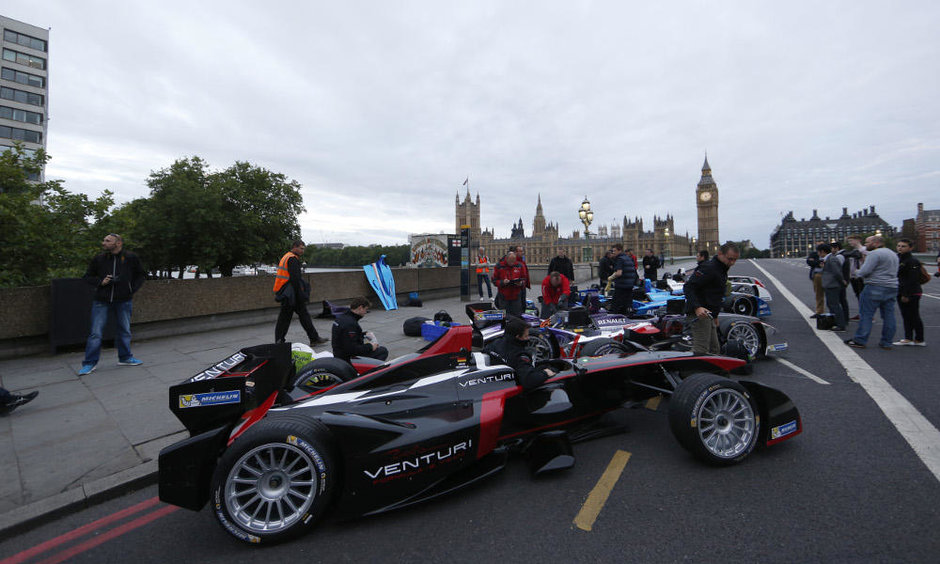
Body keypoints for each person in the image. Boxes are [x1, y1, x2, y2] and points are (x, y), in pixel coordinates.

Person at [78, 233, 146, 376]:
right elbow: (87, 277)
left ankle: (125, 357)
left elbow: (141, 275)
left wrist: (131, 289)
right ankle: (89, 363)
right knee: (96, 333)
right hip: (101, 300)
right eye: (104, 240)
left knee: (124, 330)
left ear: (118, 243)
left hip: (123, 300)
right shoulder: (99, 259)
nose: (104, 243)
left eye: (108, 241)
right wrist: (100, 282)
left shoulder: (130, 258)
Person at [683, 242, 740, 355]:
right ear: (720, 253)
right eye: (730, 259)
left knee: (714, 350)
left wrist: (715, 316)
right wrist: (697, 307)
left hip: (709, 315)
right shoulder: (709, 268)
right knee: (701, 351)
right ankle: (695, 372)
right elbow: (688, 286)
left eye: (734, 260)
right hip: (700, 314)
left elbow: (715, 295)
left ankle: (714, 373)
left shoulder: (722, 268)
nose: (732, 263)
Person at [845, 235, 898, 349]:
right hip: (891, 287)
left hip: (875, 286)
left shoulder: (874, 254)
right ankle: (887, 342)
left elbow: (865, 271)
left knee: (866, 315)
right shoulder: (892, 253)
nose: (865, 245)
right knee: (889, 316)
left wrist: (857, 271)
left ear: (876, 243)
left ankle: (860, 340)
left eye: (868, 242)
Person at [274, 240, 328, 347]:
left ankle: (313, 338)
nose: (302, 251)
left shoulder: (286, 257)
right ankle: (280, 342)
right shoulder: (292, 259)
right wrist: (300, 295)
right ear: (294, 247)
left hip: (286, 292)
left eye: (303, 249)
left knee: (295, 317)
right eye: (301, 248)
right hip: (291, 294)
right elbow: (295, 279)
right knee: (288, 318)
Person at [485, 316, 556, 391]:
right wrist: (545, 373)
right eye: (526, 336)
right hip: (508, 391)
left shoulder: (494, 344)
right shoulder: (519, 355)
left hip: (491, 384)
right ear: (518, 337)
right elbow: (528, 380)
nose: (528, 338)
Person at [332, 296, 388, 363]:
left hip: (339, 354)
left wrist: (364, 334)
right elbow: (352, 349)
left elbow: (346, 337)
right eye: (366, 309)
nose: (365, 312)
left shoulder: (343, 317)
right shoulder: (350, 324)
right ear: (360, 308)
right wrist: (371, 346)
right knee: (383, 351)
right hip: (347, 359)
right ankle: (370, 372)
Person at [894, 238, 925, 346]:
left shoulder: (912, 261)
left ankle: (919, 339)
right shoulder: (898, 258)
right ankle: (908, 338)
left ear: (910, 248)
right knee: (906, 315)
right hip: (902, 290)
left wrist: (906, 294)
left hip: (911, 292)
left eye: (903, 246)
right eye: (898, 246)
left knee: (914, 315)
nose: (900, 248)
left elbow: (912, 279)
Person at [818, 243, 847, 332]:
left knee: (835, 305)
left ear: (822, 252)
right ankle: (836, 323)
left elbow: (837, 272)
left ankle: (841, 325)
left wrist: (842, 281)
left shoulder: (832, 259)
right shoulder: (827, 259)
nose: (818, 254)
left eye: (818, 252)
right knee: (831, 304)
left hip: (832, 285)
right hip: (829, 284)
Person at [608, 243, 639, 315]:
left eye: (614, 251)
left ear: (620, 250)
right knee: (628, 302)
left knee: (616, 302)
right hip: (630, 284)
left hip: (621, 285)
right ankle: (628, 315)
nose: (613, 252)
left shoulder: (619, 259)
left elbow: (619, 273)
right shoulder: (628, 258)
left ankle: (613, 317)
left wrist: (611, 278)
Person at [493, 251, 527, 316]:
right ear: (507, 258)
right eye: (511, 260)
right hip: (503, 297)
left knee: (517, 316)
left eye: (514, 260)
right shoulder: (499, 266)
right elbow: (494, 281)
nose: (512, 263)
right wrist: (502, 282)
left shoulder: (520, 266)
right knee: (504, 317)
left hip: (516, 296)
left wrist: (521, 283)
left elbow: (524, 279)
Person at [845, 235, 868, 320]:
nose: (850, 243)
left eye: (851, 241)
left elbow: (867, 261)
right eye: (849, 241)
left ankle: (867, 315)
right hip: (854, 276)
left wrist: (861, 256)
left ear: (858, 240)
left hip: (861, 276)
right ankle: (861, 313)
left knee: (863, 296)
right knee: (858, 295)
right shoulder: (853, 251)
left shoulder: (864, 250)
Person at [832, 241, 852, 321]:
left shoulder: (839, 256)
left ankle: (843, 318)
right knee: (842, 300)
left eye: (832, 248)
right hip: (844, 279)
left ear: (837, 248)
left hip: (840, 281)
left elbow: (837, 269)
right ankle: (845, 317)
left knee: (840, 300)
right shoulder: (844, 254)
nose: (831, 250)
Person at [806, 242, 824, 318]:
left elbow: (812, 261)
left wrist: (815, 262)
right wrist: (818, 262)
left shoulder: (829, 255)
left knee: (828, 295)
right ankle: (819, 311)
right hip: (816, 276)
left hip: (825, 276)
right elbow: (809, 261)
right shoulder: (814, 254)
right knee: (818, 294)